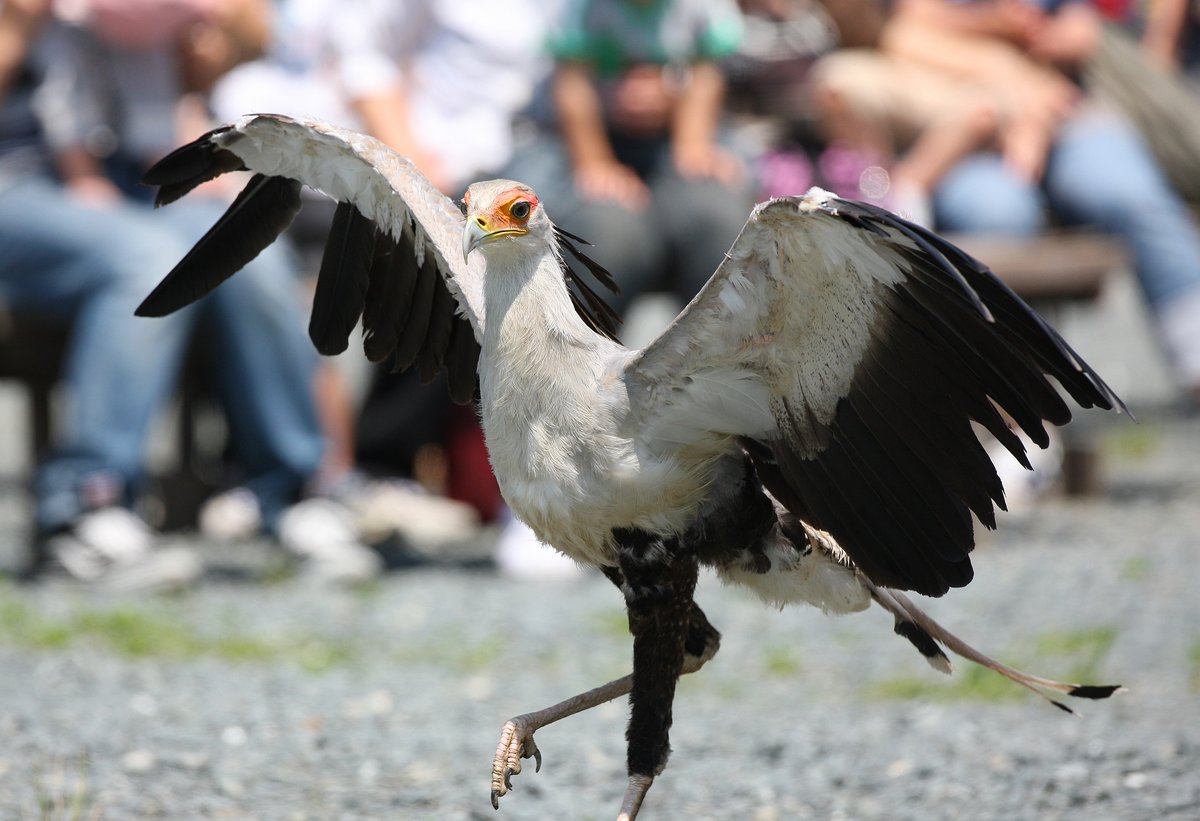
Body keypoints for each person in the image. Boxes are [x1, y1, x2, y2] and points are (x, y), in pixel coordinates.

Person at [502, 0, 755, 320]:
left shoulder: (702, 7)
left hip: (671, 136)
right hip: (588, 136)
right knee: (606, 234)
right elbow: (572, 83)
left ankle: (719, 350)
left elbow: (705, 70)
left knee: (716, 218)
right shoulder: (582, 9)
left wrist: (692, 141)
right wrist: (595, 162)